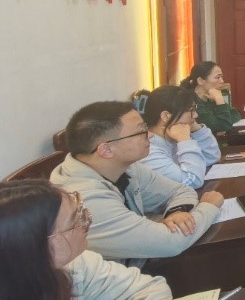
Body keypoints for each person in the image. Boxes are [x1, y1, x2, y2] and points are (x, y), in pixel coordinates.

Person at [0, 179, 221, 300]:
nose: (88, 220)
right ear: (46, 244)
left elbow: (149, 289)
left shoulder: (76, 263)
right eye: (76, 219)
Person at [49, 101, 224, 266]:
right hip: (116, 283)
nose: (150, 135)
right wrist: (208, 206)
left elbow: (181, 191)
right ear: (106, 149)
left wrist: (177, 212)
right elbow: (171, 242)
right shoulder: (83, 201)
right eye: (141, 132)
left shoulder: (126, 167)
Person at [139, 86, 222, 188]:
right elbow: (193, 181)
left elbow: (211, 157)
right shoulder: (149, 152)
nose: (195, 115)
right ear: (166, 116)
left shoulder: (172, 137)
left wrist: (196, 128)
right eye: (191, 110)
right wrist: (185, 141)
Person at [180, 61, 241, 134]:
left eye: (221, 77)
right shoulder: (191, 101)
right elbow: (224, 125)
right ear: (201, 81)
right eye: (217, 77)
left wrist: (220, 124)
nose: (222, 81)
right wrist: (220, 101)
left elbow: (235, 114)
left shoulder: (211, 95)